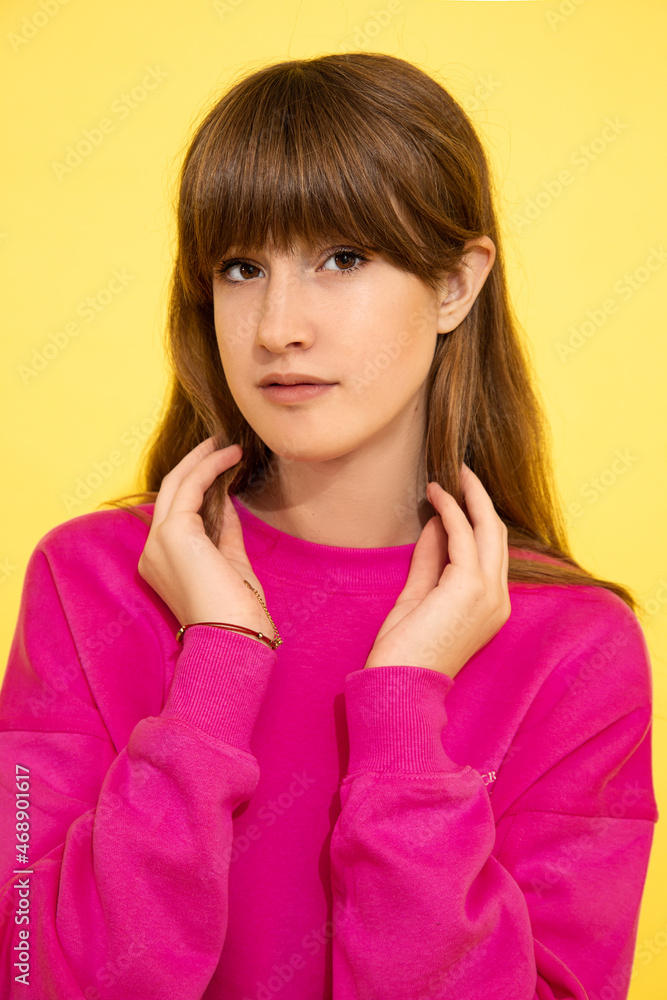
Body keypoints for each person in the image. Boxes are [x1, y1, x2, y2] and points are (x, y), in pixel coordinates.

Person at [0, 51, 658, 1000]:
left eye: (341, 259)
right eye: (240, 268)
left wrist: (405, 714)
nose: (277, 328)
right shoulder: (91, 580)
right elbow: (30, 974)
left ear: (455, 284)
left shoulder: (576, 647)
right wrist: (212, 672)